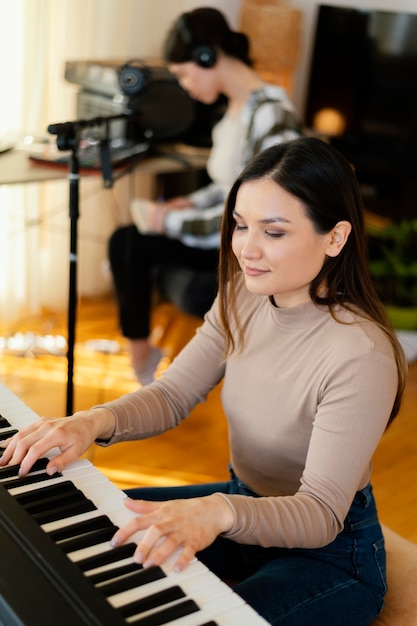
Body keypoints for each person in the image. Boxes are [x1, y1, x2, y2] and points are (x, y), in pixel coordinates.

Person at [1, 137, 408, 625]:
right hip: (241, 509)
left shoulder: (361, 354)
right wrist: (91, 421)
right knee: (80, 530)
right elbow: (174, 393)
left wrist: (217, 512)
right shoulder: (243, 293)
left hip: (330, 554)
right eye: (240, 225)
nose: (246, 248)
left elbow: (320, 514)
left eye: (273, 232)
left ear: (336, 238)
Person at [109, 7, 301, 385]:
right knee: (126, 242)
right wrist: (190, 204)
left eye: (182, 73)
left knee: (146, 250)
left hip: (239, 246)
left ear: (206, 56)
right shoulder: (232, 112)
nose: (183, 85)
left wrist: (170, 220)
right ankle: (142, 358)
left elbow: (256, 213)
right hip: (216, 238)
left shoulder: (272, 115)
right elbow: (229, 184)